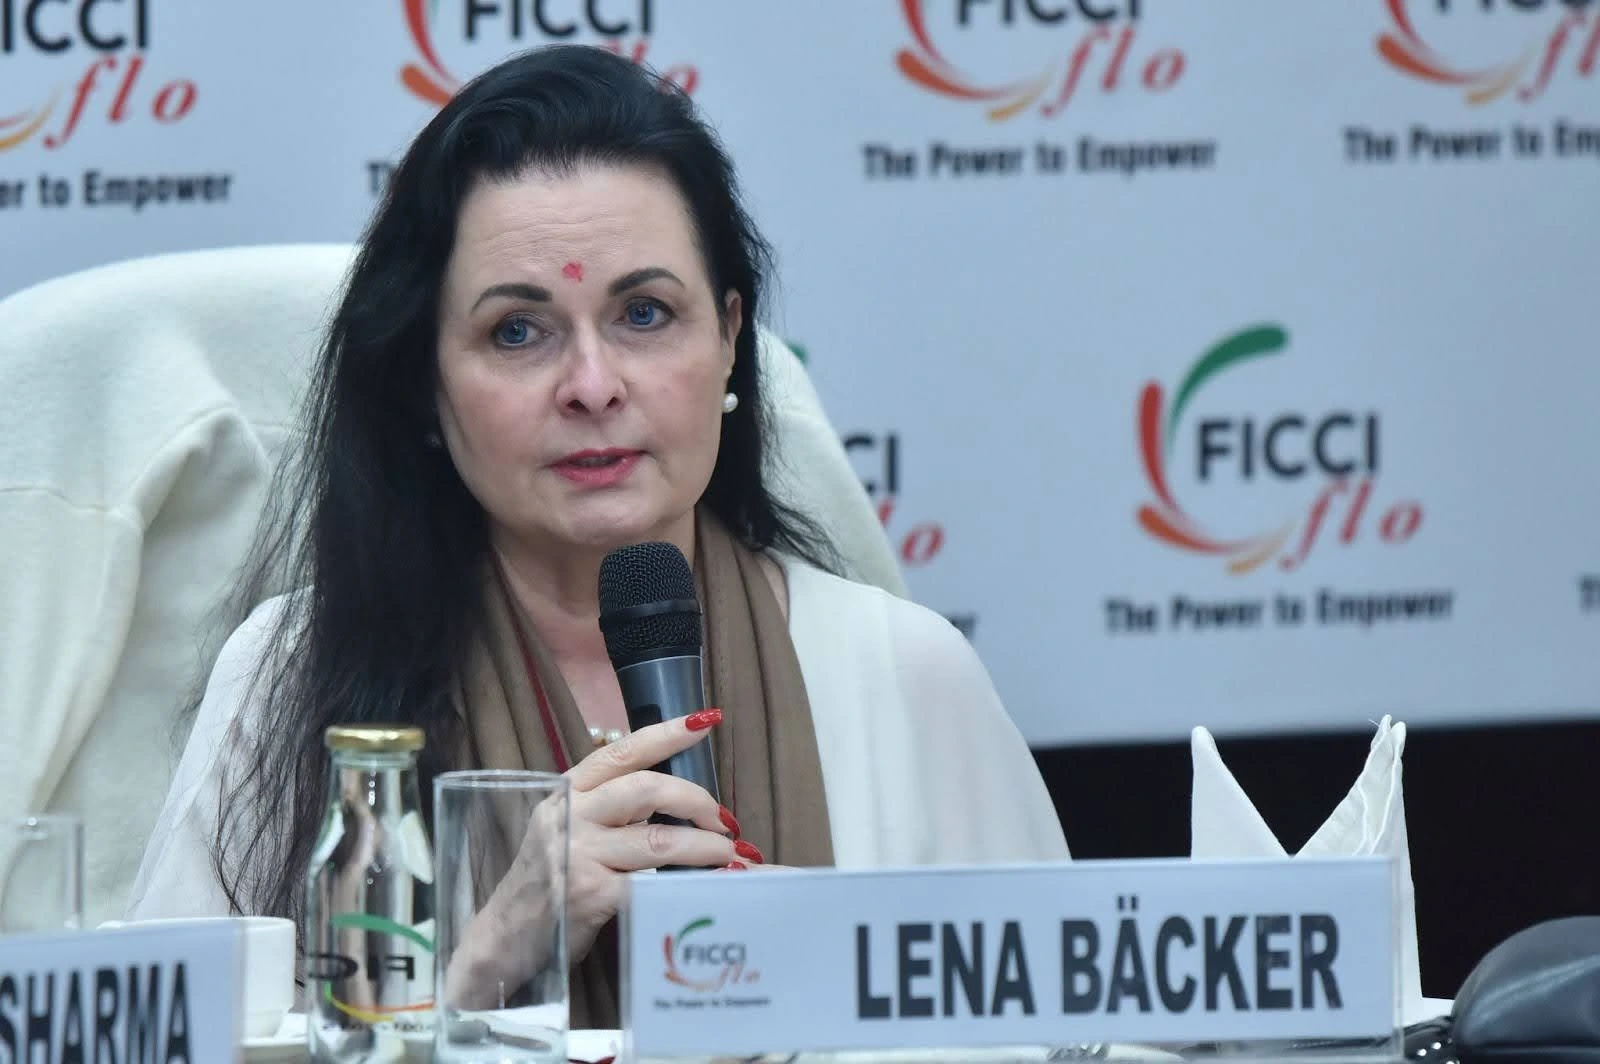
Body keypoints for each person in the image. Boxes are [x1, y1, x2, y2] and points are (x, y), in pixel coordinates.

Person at [126, 43, 1069, 1026]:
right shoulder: (294, 674)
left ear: (730, 339)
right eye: (517, 331)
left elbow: (1071, 1041)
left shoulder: (907, 675)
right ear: (424, 384)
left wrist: (832, 973)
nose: (591, 385)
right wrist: (494, 952)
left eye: (644, 313)